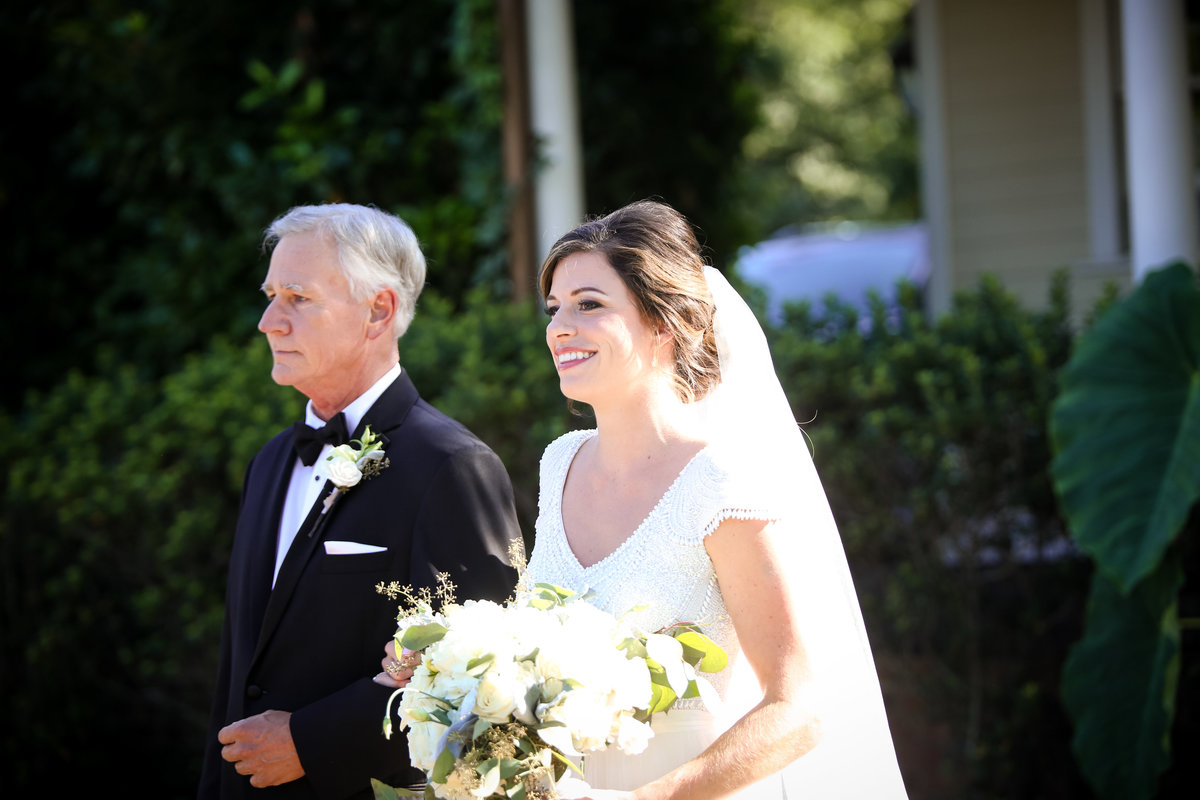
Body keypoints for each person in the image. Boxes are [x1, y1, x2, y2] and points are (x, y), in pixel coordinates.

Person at [523, 200, 909, 798]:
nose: (559, 327)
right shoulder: (560, 462)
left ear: (664, 324)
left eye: (589, 304)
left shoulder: (719, 481)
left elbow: (798, 709)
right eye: (555, 309)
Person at [199, 203, 521, 800]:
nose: (270, 320)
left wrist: (310, 740)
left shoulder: (452, 465)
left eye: (298, 297)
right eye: (271, 295)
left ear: (379, 310)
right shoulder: (270, 463)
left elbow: (483, 678)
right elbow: (238, 674)